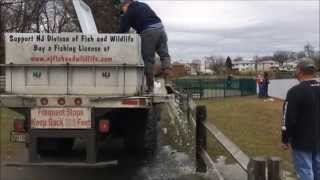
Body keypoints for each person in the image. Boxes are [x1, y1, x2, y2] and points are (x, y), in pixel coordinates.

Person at [119, 0, 171, 93]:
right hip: (161, 29)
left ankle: (150, 88)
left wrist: (124, 17)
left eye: (123, 10)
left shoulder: (129, 11)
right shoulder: (143, 5)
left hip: (149, 32)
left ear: (125, 5)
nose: (123, 11)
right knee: (164, 55)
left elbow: (122, 31)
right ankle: (168, 82)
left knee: (148, 60)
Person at [281, 60, 320, 180]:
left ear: (300, 71)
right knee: (318, 169)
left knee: (305, 171)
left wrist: (285, 138)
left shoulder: (295, 92)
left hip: (301, 141)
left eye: (296, 69)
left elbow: (288, 118)